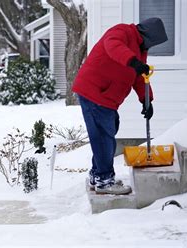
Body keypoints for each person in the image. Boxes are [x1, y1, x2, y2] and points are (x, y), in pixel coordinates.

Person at [73, 18, 168, 195]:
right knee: (103, 135)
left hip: (106, 97)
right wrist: (132, 61)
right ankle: (104, 180)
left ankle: (98, 174)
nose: (152, 46)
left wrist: (147, 101)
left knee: (108, 132)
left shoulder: (141, 50)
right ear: (148, 35)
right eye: (153, 42)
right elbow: (113, 46)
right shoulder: (122, 32)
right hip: (95, 91)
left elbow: (139, 77)